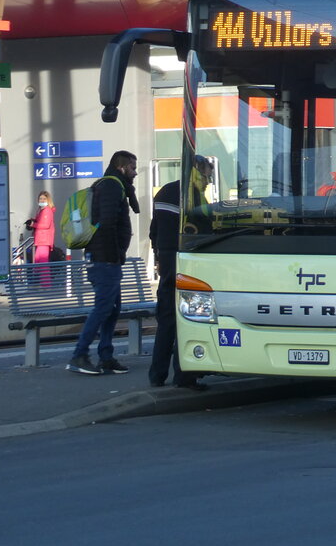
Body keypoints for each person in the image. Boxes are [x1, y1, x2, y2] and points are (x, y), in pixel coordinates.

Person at [66, 150, 140, 376]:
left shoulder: (115, 185)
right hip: (104, 258)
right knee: (103, 308)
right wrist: (115, 252)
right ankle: (79, 355)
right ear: (121, 167)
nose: (135, 173)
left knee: (112, 308)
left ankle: (106, 357)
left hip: (108, 258)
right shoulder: (111, 186)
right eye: (133, 168)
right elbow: (107, 223)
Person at [148, 155, 210, 389]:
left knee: (165, 320)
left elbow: (154, 229)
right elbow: (202, 230)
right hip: (186, 263)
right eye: (205, 174)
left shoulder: (164, 191)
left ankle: (156, 375)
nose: (208, 179)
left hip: (166, 260)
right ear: (196, 171)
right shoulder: (192, 195)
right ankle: (184, 376)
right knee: (187, 319)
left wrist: (159, 255)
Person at [27, 190, 56, 264]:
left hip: (44, 241)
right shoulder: (41, 211)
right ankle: (40, 275)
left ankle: (44, 276)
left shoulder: (47, 210)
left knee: (42, 264)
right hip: (40, 241)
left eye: (44, 199)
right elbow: (41, 222)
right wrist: (33, 220)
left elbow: (46, 225)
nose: (42, 200)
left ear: (48, 200)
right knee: (37, 263)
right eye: (40, 199)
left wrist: (33, 224)